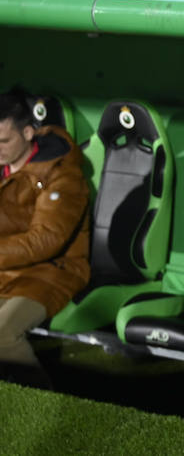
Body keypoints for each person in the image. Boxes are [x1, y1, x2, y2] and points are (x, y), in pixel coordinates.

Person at [0, 88, 90, 387]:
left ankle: (42, 406)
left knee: (3, 333)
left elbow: (47, 240)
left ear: (28, 133)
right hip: (7, 268)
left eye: (4, 140)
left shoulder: (62, 174)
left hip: (51, 272)